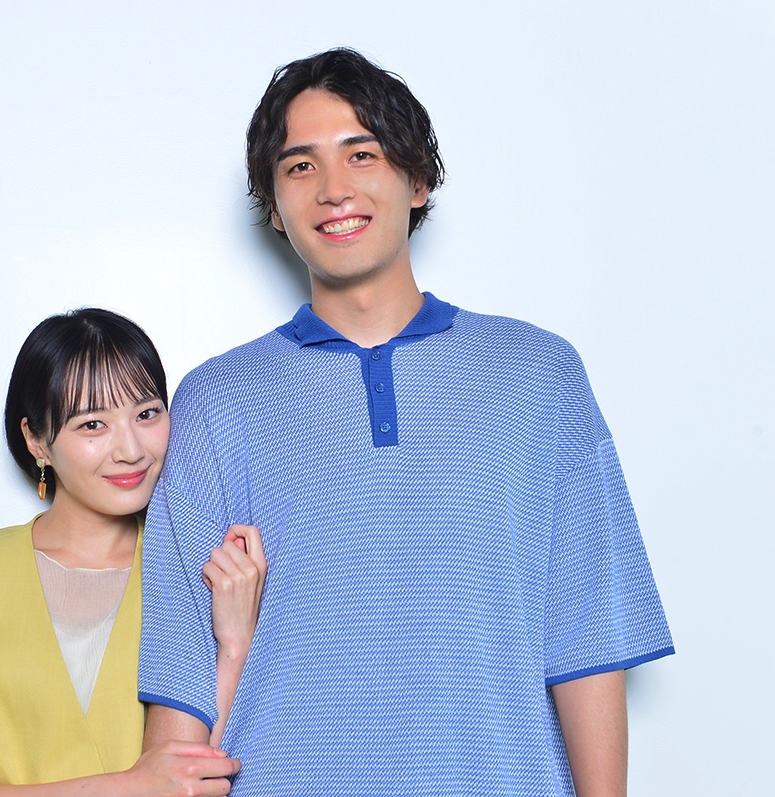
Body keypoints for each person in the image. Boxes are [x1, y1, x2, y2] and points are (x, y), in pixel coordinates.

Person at [138, 49, 674, 796]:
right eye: (300, 166)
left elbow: (587, 638)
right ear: (275, 206)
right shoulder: (218, 400)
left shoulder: (540, 374)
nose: (334, 188)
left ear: (418, 181)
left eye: (362, 154)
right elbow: (181, 676)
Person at [0, 308, 267, 797]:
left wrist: (235, 645)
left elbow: (199, 778)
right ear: (36, 441)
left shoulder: (196, 566)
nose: (130, 450)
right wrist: (129, 786)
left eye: (147, 414)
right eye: (93, 425)